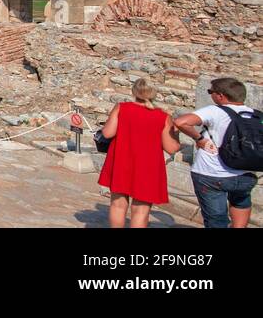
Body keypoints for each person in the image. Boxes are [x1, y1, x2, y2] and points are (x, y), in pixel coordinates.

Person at [173, 77, 261, 228]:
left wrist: (199, 138)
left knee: (216, 221)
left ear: (221, 95)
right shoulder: (256, 115)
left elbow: (181, 122)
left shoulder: (215, 110)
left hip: (211, 174)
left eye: (210, 92)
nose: (210, 95)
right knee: (241, 204)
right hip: (245, 174)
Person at [97, 78, 181, 228]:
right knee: (141, 211)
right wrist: (176, 133)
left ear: (134, 92)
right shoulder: (163, 117)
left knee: (118, 205)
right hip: (148, 166)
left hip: (122, 160)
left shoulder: (122, 108)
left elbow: (108, 133)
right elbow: (172, 148)